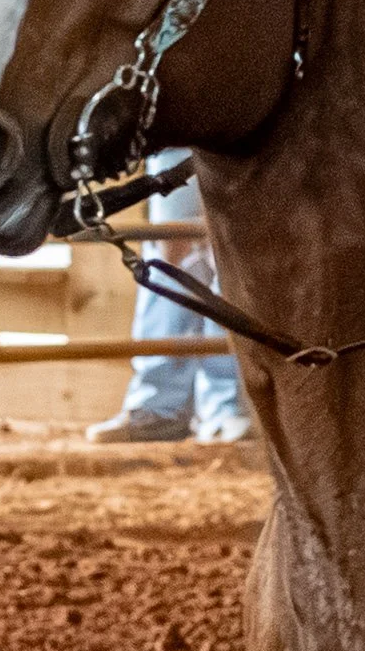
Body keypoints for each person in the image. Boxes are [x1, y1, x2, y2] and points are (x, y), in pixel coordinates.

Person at [86, 163, 253, 446]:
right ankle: (160, 406)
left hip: (240, 130)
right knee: (171, 243)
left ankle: (223, 407)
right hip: (175, 131)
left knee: (230, 244)